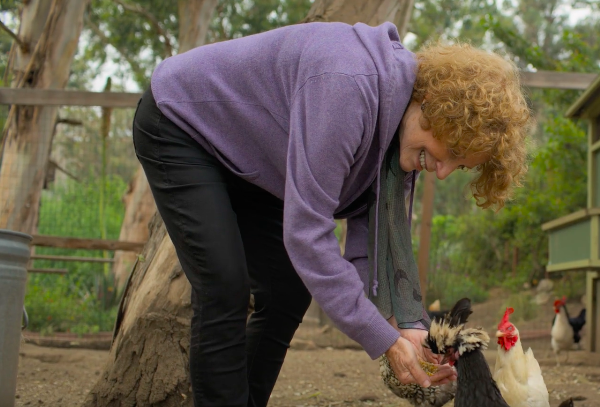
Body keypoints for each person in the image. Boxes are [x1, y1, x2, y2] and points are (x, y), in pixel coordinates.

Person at [131, 20, 531, 407]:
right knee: (224, 285)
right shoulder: (347, 88)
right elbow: (307, 235)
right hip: (182, 124)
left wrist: (409, 331)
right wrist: (384, 341)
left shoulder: (400, 141)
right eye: (454, 152)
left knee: (287, 289)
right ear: (435, 109)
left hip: (253, 155)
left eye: (459, 166)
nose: (442, 172)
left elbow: (366, 254)